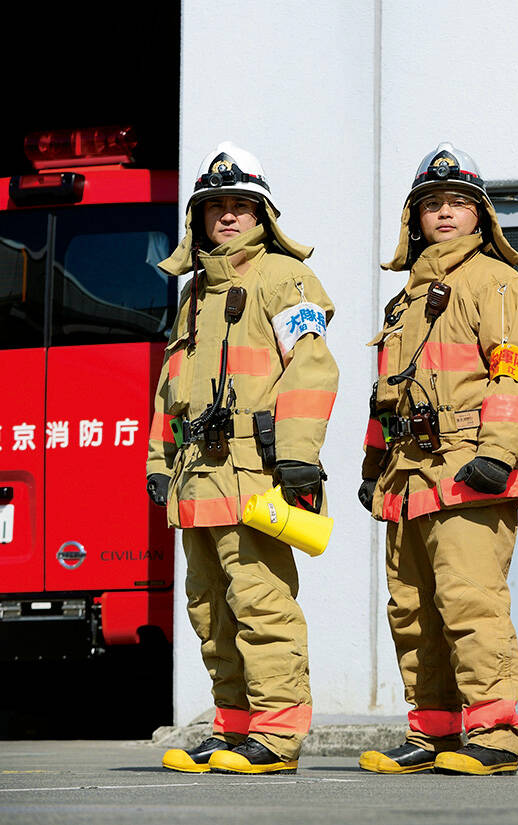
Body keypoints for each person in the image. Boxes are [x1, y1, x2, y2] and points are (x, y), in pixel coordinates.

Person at [147, 142, 338, 775]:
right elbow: (172, 387)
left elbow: (311, 368)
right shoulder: (196, 293)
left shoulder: (285, 279)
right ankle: (232, 728)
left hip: (257, 475)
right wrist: (157, 462)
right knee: (211, 613)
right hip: (196, 478)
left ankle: (277, 734)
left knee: (262, 605)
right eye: (215, 208)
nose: (227, 217)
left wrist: (299, 457)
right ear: (199, 220)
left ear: (262, 215)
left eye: (240, 206)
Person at [357, 142, 518, 777]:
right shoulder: (403, 301)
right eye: (430, 204)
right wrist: (370, 465)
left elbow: (515, 371)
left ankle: (494, 734)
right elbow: (386, 395)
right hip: (405, 477)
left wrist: (498, 454)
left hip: (468, 469)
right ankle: (432, 731)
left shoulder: (497, 282)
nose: (443, 214)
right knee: (412, 611)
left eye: (458, 203)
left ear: (481, 217)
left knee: (471, 604)